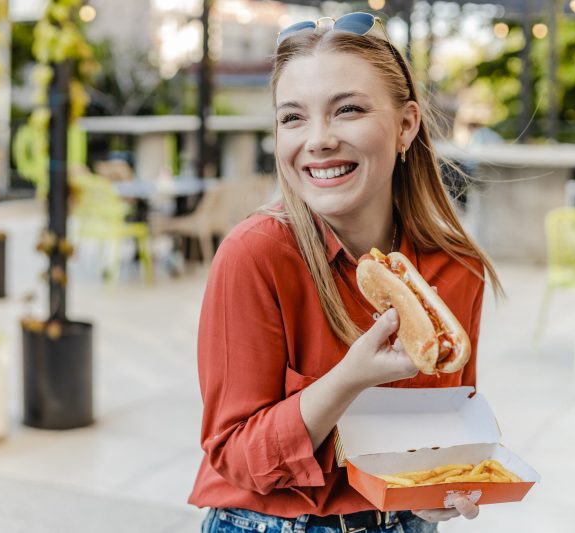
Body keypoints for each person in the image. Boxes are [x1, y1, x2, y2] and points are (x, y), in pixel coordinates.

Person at [188, 11, 502, 533]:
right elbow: (236, 455)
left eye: (348, 110)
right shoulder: (256, 254)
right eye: (293, 117)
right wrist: (349, 380)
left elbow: (448, 421)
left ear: (406, 125)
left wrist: (446, 481)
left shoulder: (457, 267)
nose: (318, 140)